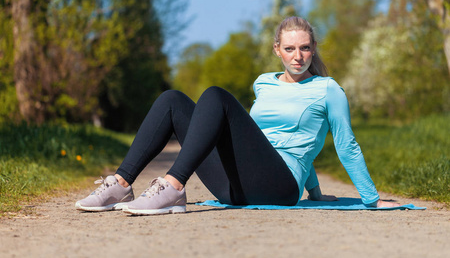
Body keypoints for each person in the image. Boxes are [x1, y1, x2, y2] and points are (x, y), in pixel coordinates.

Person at [75, 16, 400, 215]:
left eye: (304, 48)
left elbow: (342, 144)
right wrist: (316, 192)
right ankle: (120, 183)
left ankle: (172, 187)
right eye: (289, 49)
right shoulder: (263, 84)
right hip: (233, 187)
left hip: (281, 186)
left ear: (313, 48)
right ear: (277, 50)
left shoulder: (328, 89)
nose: (297, 56)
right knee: (173, 99)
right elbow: (263, 141)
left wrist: (370, 199)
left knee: (215, 96)